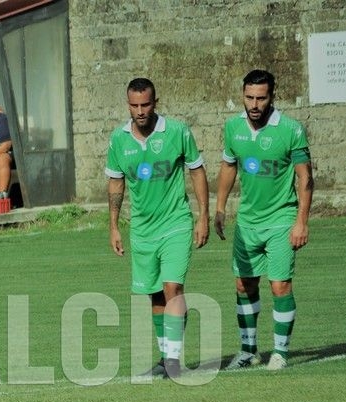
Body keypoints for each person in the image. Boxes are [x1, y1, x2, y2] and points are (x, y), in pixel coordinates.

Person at [105, 78, 209, 379]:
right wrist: (113, 226)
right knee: (155, 295)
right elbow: (115, 182)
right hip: (142, 229)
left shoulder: (177, 132)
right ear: (128, 105)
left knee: (172, 287)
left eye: (146, 104)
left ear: (156, 102)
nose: (140, 111)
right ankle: (166, 359)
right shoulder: (118, 140)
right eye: (135, 105)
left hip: (176, 222)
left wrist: (202, 215)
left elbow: (197, 171)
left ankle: (174, 361)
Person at [215, 69, 313, 371]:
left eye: (261, 98)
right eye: (249, 97)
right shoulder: (233, 128)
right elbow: (229, 167)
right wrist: (219, 208)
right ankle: (248, 351)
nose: (254, 104)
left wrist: (301, 221)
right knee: (244, 285)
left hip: (282, 219)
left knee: (279, 286)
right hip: (247, 222)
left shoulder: (291, 129)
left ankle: (280, 352)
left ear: (272, 96)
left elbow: (305, 177)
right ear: (242, 95)